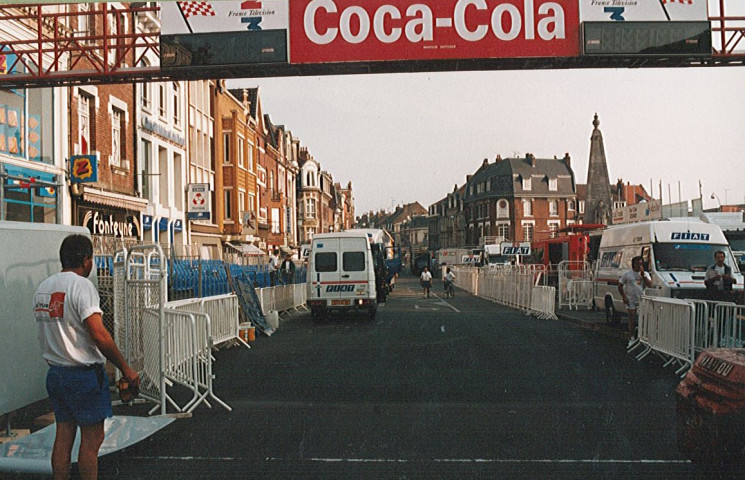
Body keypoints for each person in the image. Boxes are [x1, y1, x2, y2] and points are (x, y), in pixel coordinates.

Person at [33, 234, 139, 480]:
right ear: (85, 260)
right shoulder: (82, 286)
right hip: (83, 376)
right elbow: (99, 334)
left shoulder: (43, 288)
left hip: (56, 374)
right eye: (91, 258)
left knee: (64, 436)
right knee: (92, 440)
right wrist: (125, 368)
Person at [617, 255, 652, 343]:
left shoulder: (645, 274)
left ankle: (643, 337)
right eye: (637, 264)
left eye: (641, 264)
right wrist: (624, 296)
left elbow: (650, 284)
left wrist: (643, 275)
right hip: (630, 299)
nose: (639, 266)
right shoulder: (628, 274)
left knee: (643, 318)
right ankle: (631, 337)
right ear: (633, 265)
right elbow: (620, 285)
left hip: (641, 299)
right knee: (632, 318)